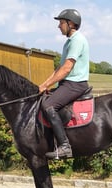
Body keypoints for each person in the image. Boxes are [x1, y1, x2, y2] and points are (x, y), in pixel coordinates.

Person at [39, 9, 90, 159]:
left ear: (71, 23)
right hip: (67, 84)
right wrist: (44, 84)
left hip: (75, 84)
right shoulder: (69, 42)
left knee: (48, 106)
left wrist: (46, 85)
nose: (59, 26)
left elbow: (67, 68)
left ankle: (65, 146)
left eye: (61, 23)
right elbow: (59, 69)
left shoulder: (77, 40)